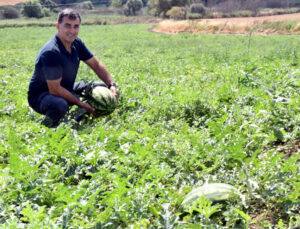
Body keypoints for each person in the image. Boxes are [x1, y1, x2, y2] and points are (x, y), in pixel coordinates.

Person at [27, 8, 118, 127]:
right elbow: (55, 89)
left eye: (76, 26)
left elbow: (96, 65)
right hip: (42, 95)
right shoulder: (51, 52)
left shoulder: (76, 43)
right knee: (60, 105)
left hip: (66, 88)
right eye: (68, 26)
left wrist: (111, 85)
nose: (72, 31)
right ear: (58, 26)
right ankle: (47, 126)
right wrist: (80, 103)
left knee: (102, 87)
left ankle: (83, 115)